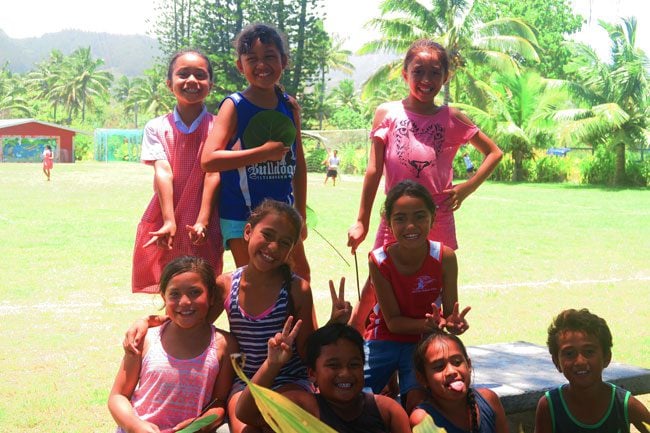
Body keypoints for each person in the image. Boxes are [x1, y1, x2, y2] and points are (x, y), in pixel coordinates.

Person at [347, 39, 502, 332]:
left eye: (435, 72)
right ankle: (350, 343)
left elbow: (494, 153)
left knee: (436, 283)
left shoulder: (452, 118)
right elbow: (373, 171)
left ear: (446, 77)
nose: (426, 80)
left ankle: (436, 352)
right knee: (375, 284)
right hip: (395, 218)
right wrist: (361, 221)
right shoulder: (387, 114)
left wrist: (466, 188)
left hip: (437, 217)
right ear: (405, 74)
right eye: (418, 71)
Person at [200, 23, 310, 281]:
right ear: (240, 65)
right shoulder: (234, 105)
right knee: (258, 284)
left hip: (284, 217)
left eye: (270, 57)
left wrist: (300, 214)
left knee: (299, 278)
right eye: (252, 59)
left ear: (283, 60)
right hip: (242, 217)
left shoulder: (289, 106)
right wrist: (262, 153)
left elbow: (299, 164)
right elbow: (208, 159)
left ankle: (306, 324)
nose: (262, 65)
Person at [364, 180, 470, 412]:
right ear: (389, 224)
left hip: (424, 343)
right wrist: (434, 324)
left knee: (418, 406)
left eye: (420, 216)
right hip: (383, 338)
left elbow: (450, 313)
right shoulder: (379, 260)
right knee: (354, 397)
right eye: (400, 218)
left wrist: (454, 323)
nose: (410, 226)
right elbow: (393, 322)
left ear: (432, 218)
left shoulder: (445, 257)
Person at [108, 256, 236, 433]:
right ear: (163, 297)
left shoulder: (224, 345)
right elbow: (118, 396)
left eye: (195, 292)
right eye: (174, 294)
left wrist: (203, 424)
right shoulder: (144, 339)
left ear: (212, 296)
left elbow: (219, 401)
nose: (184, 302)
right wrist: (135, 426)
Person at [131, 49, 223, 294]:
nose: (191, 80)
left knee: (204, 281)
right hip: (167, 211)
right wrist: (169, 219)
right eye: (183, 74)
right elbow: (163, 171)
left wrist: (202, 220)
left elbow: (214, 173)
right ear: (169, 83)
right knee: (170, 281)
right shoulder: (156, 127)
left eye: (200, 75)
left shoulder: (219, 126)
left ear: (210, 84)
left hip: (206, 214)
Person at [236, 320, 411, 433]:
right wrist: (272, 365)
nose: (345, 373)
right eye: (333, 365)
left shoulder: (386, 410)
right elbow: (246, 414)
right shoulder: (305, 407)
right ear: (312, 373)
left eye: (354, 365)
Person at [534, 308, 650, 433]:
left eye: (589, 352)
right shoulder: (550, 406)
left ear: (606, 357)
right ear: (556, 362)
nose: (580, 362)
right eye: (569, 353)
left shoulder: (624, 405)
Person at [410, 330, 509, 433]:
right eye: (439, 366)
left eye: (457, 362)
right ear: (422, 378)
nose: (451, 371)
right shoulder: (423, 419)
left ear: (468, 365)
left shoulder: (489, 400)